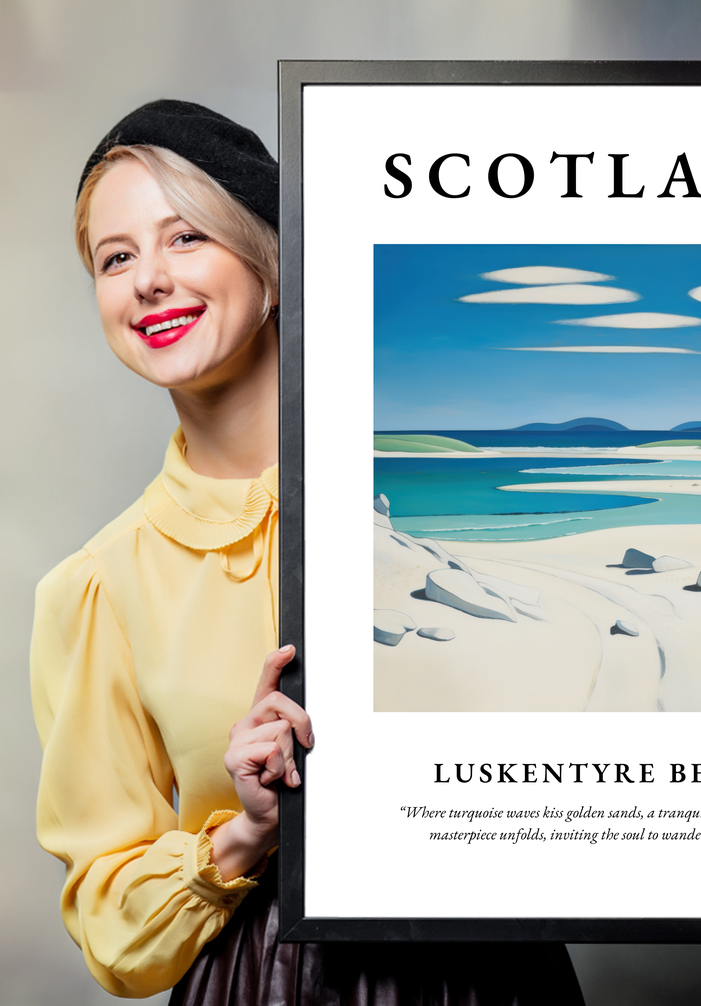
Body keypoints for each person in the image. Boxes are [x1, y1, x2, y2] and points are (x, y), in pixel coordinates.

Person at [30, 100, 585, 1004]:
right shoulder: (98, 587)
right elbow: (110, 923)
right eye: (116, 257)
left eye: (186, 238)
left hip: (494, 973)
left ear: (273, 264)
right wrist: (244, 832)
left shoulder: (435, 505)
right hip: (264, 981)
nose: (148, 281)